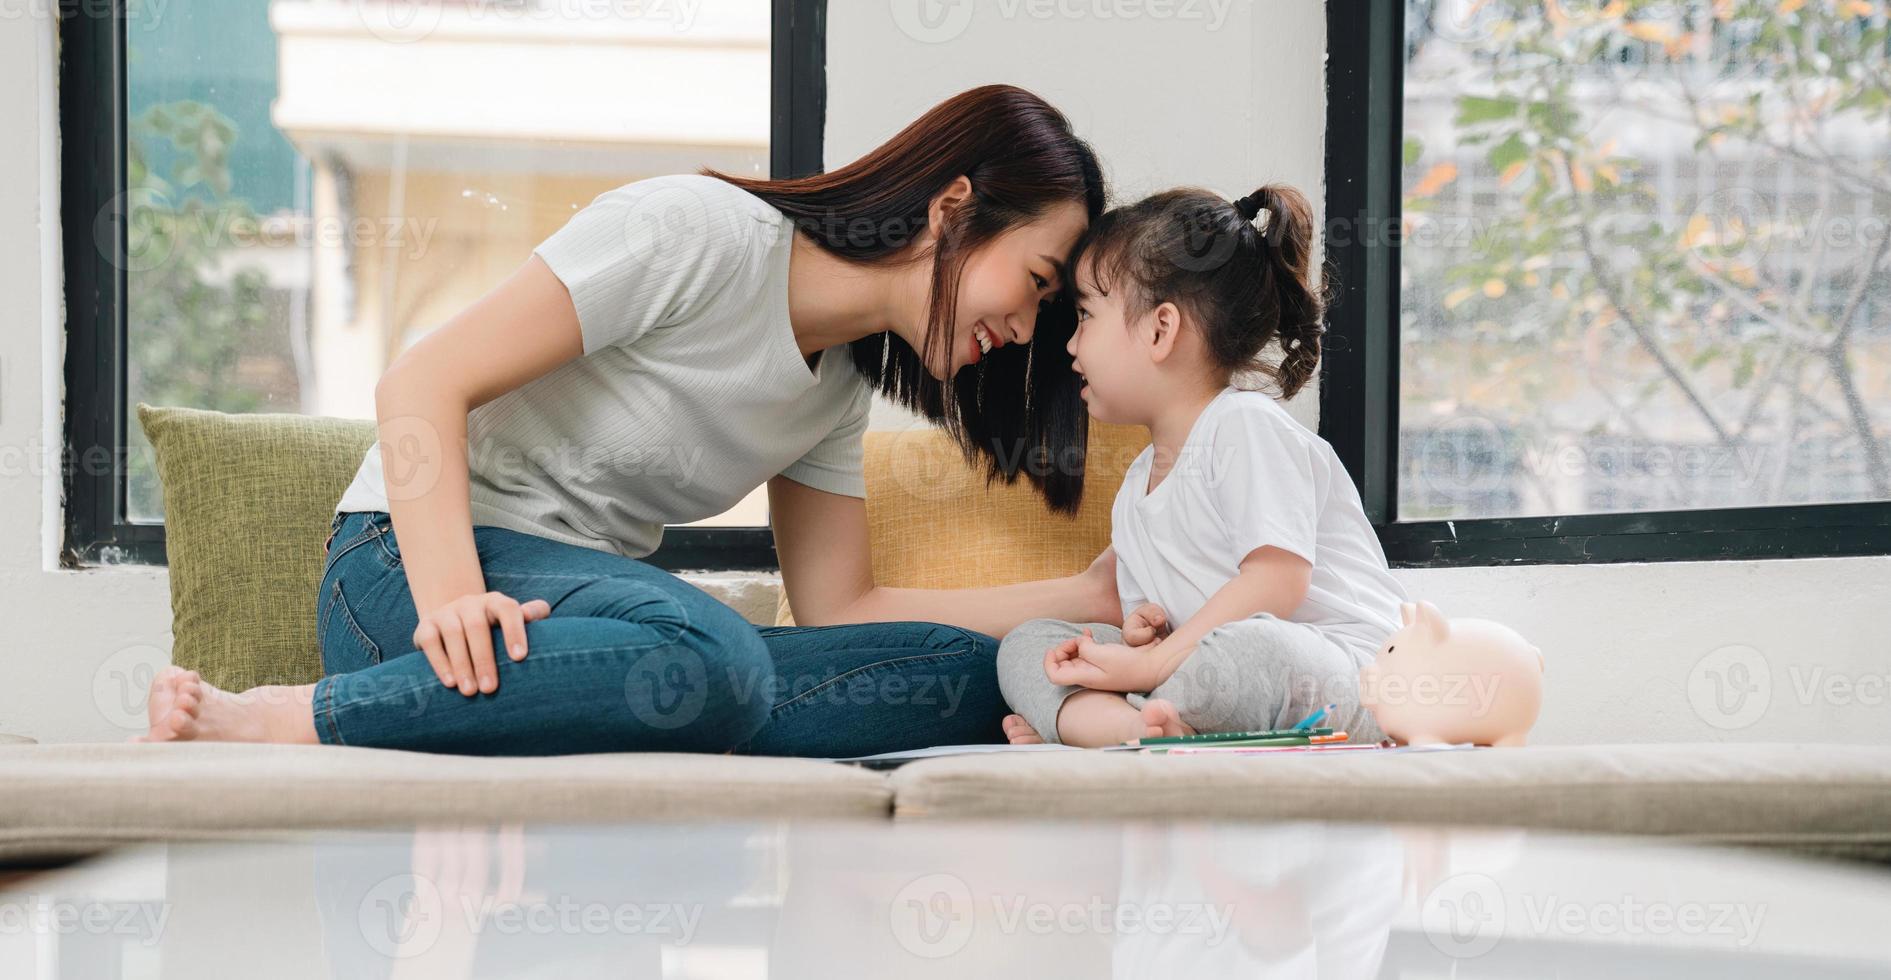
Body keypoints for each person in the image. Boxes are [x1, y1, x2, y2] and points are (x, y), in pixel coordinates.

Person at [135, 84, 1122, 757]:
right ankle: (298, 716)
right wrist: (449, 599)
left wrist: (1087, 597)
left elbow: (841, 614)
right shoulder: (696, 234)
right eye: (1035, 282)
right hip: (406, 569)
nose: (1026, 327)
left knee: (959, 673)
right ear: (952, 209)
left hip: (575, 622)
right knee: (707, 658)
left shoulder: (836, 389)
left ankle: (605, 704)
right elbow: (419, 382)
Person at [996, 183, 1408, 747]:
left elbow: (1278, 581)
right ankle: (1140, 733)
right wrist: (1143, 639)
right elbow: (1157, 626)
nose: (1071, 344)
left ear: (1160, 330)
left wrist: (1150, 665)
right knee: (1033, 644)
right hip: (1201, 678)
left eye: (1086, 315)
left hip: (1350, 677)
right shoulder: (1135, 489)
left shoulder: (1244, 427)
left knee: (1255, 647)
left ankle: (1106, 730)